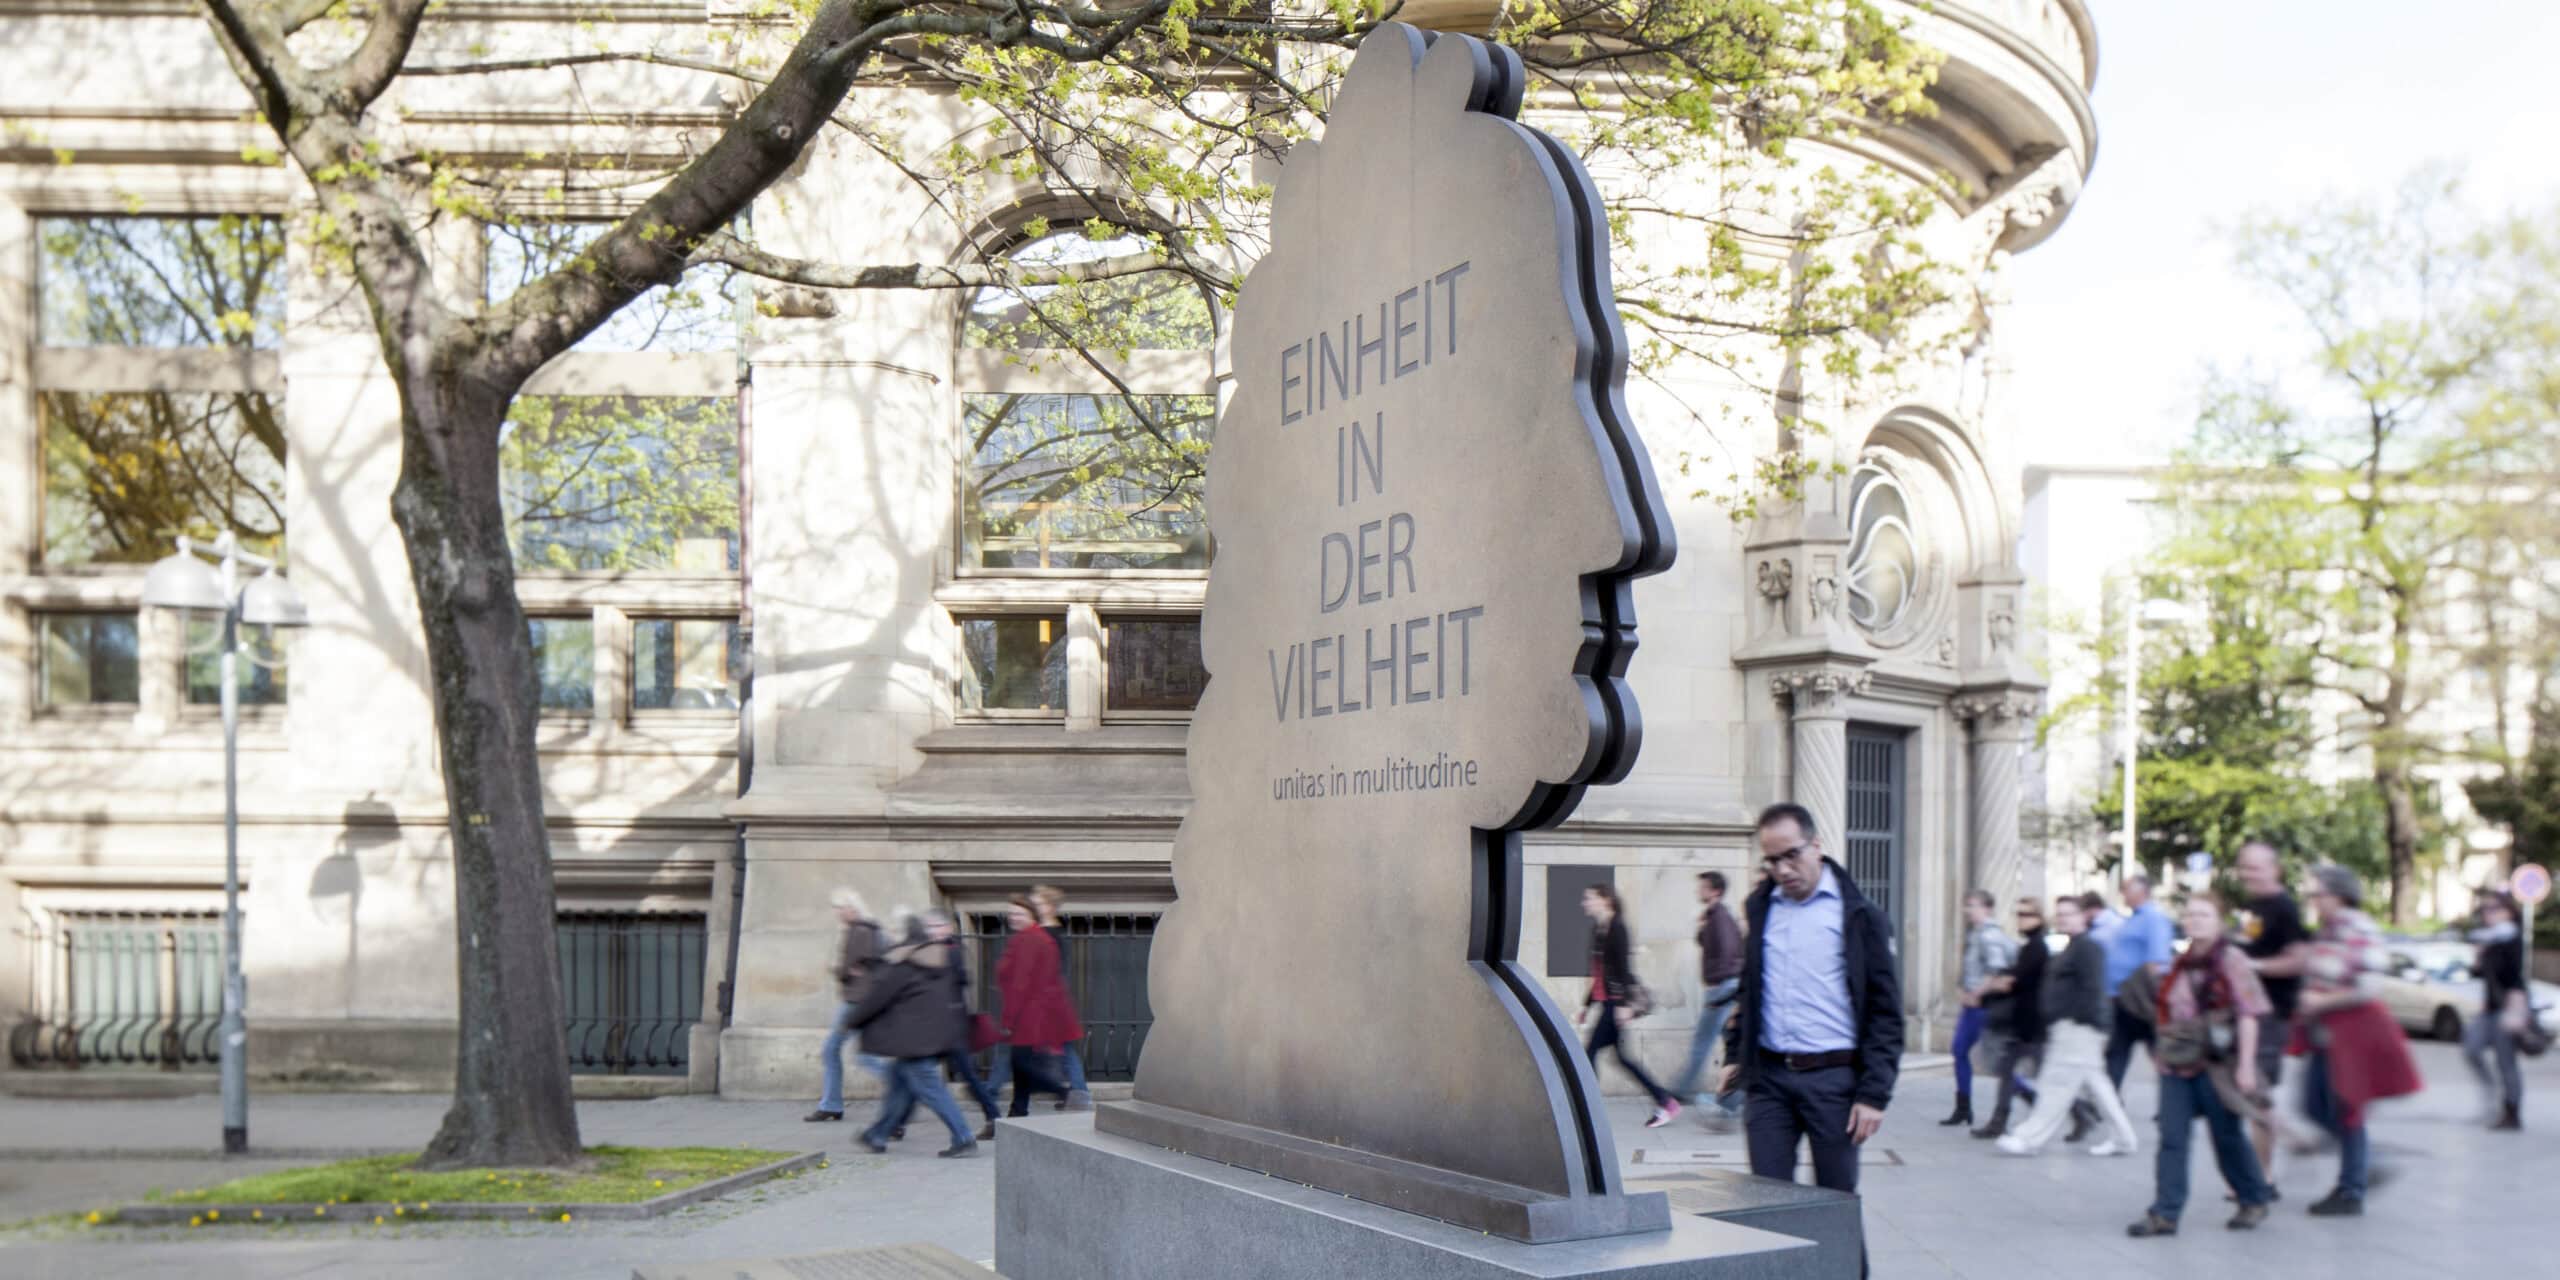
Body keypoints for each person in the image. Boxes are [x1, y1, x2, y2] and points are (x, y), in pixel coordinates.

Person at [1718, 804, 1901, 1277]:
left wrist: (1873, 1094)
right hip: (1770, 1082)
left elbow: (1886, 1013)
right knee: (1766, 1206)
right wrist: (1735, 1052)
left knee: (1836, 1207)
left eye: (1791, 856)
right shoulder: (1761, 908)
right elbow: (1749, 989)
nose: (1782, 869)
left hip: (1835, 1083)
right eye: (1771, 860)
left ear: (1817, 846)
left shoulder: (1861, 916)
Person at [2126, 892, 2274, 1238]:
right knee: (2172, 1138)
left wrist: (2247, 1066)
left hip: (2216, 1065)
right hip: (2177, 1064)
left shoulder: (2231, 959)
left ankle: (2254, 1199)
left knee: (2227, 1137)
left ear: (2219, 921)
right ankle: (2165, 1213)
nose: (2195, 920)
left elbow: (2249, 1013)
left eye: (2204, 915)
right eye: (2190, 915)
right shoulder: (2183, 959)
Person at [2297, 865, 2420, 1218]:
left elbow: (2368, 987)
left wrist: (2322, 1001)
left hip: (2352, 1035)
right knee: (2313, 1105)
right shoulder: (2328, 930)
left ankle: (2352, 1188)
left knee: (2348, 1110)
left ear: (2338, 894)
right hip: (2327, 1036)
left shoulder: (2358, 928)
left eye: (2318, 893)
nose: (2314, 900)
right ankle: (2365, 1166)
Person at [1995, 894, 2138, 1159]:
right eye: (2059, 914)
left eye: (2069, 913)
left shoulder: (2087, 948)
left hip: (2078, 1028)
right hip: (2071, 1026)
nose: (2063, 919)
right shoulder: (2073, 946)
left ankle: (2029, 1138)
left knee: (2055, 1085)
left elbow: (2094, 990)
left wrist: (2090, 1025)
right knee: (2098, 1085)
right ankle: (2124, 1138)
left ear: (2083, 915)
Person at [846, 910, 979, 1158]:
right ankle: (878, 1134)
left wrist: (851, 1021)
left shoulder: (904, 959)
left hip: (914, 1039)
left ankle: (963, 1136)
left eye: (893, 931)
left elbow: (878, 997)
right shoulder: (935, 954)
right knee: (899, 1084)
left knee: (932, 1090)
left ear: (903, 933)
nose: (888, 937)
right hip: (931, 1034)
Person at [890, 910, 1004, 1142]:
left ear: (947, 928)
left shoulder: (952, 952)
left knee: (960, 1076)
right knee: (917, 1074)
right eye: (928, 926)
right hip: (938, 1028)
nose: (930, 931)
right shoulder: (933, 952)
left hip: (950, 1029)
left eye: (935, 926)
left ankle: (993, 1117)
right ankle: (896, 1123)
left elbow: (958, 982)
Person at [2236, 840, 2311, 1189]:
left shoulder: (2284, 908)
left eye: (2256, 867)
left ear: (2274, 869)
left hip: (2272, 1012)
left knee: (2257, 1094)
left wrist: (2255, 966)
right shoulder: (2252, 906)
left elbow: (2298, 958)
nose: (2248, 873)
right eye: (2244, 866)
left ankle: (2263, 1179)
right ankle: (2291, 1138)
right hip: (2246, 1011)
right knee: (2248, 1091)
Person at [1581, 883, 1681, 1128]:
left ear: (1606, 900)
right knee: (1620, 1058)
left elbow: (1623, 970)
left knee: (1590, 1054)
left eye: (1590, 898)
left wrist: (1624, 1005)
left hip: (1615, 1004)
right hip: (1607, 1002)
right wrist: (1587, 1004)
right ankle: (1665, 1100)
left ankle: (1587, 1113)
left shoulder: (1618, 928)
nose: (1585, 903)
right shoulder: (1600, 929)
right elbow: (1599, 974)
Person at [1668, 870, 1746, 1130]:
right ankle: (1729, 1096)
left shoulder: (1720, 917)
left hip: (1721, 988)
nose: (1697, 891)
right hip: (1723, 988)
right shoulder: (1715, 916)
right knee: (1730, 1045)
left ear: (1715, 890)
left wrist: (1721, 997)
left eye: (1702, 887)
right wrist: (1702, 929)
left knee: (1704, 1043)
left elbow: (1727, 955)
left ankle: (1681, 1090)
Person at [1971, 897, 2050, 1140]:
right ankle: (1999, 1121)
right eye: (2019, 914)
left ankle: (2080, 1112)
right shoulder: (2029, 946)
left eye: (2027, 914)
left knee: (2047, 1078)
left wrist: (1988, 987)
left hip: (2032, 1024)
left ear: (2038, 918)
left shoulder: (2037, 947)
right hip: (2023, 1023)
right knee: (2008, 1072)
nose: (2021, 918)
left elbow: (2012, 981)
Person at [996, 894, 1081, 1116]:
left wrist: (1008, 1019)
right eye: (1011, 913)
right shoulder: (1035, 937)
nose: (1013, 917)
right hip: (1036, 1012)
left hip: (1029, 1015)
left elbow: (1020, 983)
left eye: (1019, 913)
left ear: (1031, 915)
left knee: (1022, 1064)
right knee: (1020, 1064)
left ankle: (1061, 1091)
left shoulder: (1029, 939)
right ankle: (1018, 1109)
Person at [809, 889, 887, 1123]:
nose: (838, 912)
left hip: (856, 1000)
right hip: (860, 999)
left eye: (841, 908)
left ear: (852, 908)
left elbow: (847, 968)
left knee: (836, 1050)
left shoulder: (859, 931)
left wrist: (840, 969)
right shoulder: (869, 930)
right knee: (860, 1053)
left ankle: (832, 1105)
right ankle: (831, 1104)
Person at [1945, 889, 2017, 1127]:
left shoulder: (1990, 936)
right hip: (1973, 1005)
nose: (1968, 910)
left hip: (1983, 1006)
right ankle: (1963, 1107)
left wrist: (1976, 994)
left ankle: (2035, 1097)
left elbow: (1996, 970)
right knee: (1959, 1050)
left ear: (1987, 908)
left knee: (1995, 1061)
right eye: (1967, 905)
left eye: (1973, 905)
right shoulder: (1976, 934)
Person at [2103, 874, 2176, 1095]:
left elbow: (2158, 962)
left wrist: (2150, 1000)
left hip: (2138, 1000)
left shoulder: (2153, 918)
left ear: (2141, 892)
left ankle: (2172, 1098)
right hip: (2122, 999)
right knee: (2117, 1051)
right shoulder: (2134, 918)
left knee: (2157, 1051)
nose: (2123, 894)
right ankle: (2109, 1099)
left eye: (2126, 889)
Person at [2465, 891, 2531, 1132]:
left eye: (2494, 909)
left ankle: (2511, 1112)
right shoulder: (2490, 941)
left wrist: (2486, 949)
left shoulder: (2511, 937)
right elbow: (2480, 974)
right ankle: (2489, 1096)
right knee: (2471, 1048)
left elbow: (2512, 974)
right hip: (2490, 1007)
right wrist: (2478, 959)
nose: (2487, 914)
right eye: (2485, 910)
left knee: (2506, 1062)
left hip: (2509, 1007)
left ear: (2509, 912)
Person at [1029, 885, 1095, 1112]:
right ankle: (1075, 1093)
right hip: (1051, 1001)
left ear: (1047, 906)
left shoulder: (1049, 935)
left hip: (1047, 1001)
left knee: (1059, 1049)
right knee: (1063, 1050)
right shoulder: (1050, 933)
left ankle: (1077, 1093)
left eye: (1036, 903)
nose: (1033, 906)